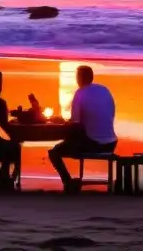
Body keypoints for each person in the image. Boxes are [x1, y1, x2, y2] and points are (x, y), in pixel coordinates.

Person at [48, 65, 117, 193]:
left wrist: (61, 122)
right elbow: (112, 114)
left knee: (54, 152)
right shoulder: (104, 90)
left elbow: (75, 123)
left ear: (79, 78)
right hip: (111, 143)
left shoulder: (80, 93)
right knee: (74, 137)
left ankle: (68, 181)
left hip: (93, 144)